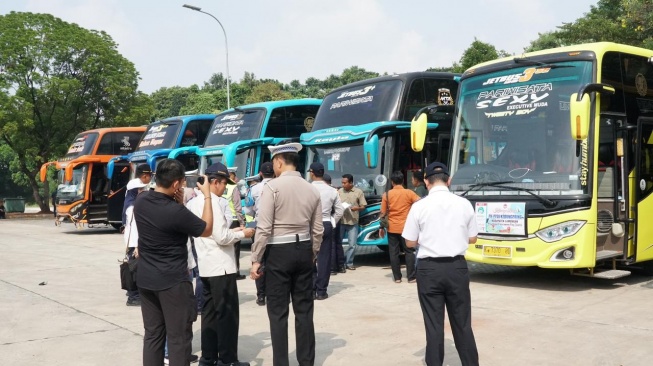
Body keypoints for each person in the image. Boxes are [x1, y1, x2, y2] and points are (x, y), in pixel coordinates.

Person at [134, 158, 214, 366]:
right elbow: (206, 229)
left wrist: (178, 202)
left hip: (147, 279)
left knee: (153, 335)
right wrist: (207, 196)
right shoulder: (175, 212)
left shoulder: (141, 201)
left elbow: (167, 217)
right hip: (172, 282)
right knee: (178, 338)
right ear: (176, 184)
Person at [250, 142, 323, 366]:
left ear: (279, 161)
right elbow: (317, 229)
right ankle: (306, 361)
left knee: (278, 313)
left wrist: (255, 259)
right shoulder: (312, 189)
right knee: (304, 311)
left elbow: (264, 228)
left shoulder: (271, 188)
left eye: (274, 162)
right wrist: (313, 253)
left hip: (278, 252)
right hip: (303, 250)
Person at [402, 162, 479, 366]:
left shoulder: (419, 206)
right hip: (457, 267)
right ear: (449, 180)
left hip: (429, 269)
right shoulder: (464, 204)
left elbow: (409, 242)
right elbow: (473, 239)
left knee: (434, 324)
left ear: (426, 181)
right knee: (462, 323)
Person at [187, 162, 255, 366]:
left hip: (206, 264)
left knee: (209, 313)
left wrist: (233, 232)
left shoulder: (193, 203)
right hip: (221, 266)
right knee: (227, 315)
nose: (225, 187)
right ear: (214, 182)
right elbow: (221, 237)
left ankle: (208, 357)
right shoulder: (213, 202)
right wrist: (244, 233)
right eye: (224, 183)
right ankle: (228, 359)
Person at [309, 163, 344, 300]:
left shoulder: (307, 188)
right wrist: (332, 221)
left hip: (310, 224)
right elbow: (340, 210)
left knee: (310, 257)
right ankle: (321, 291)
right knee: (324, 258)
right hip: (326, 223)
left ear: (312, 173)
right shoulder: (332, 190)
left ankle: (311, 288)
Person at [381, 171, 420, 283]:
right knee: (409, 251)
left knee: (394, 252)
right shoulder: (409, 193)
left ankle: (397, 277)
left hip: (392, 228)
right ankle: (411, 276)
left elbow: (383, 213)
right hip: (407, 227)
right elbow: (420, 203)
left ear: (392, 182)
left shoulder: (387, 194)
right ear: (403, 181)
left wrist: (380, 228)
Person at [248, 162, 275, 306]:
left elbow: (248, 210)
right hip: (276, 229)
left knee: (258, 259)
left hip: (259, 227)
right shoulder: (278, 187)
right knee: (274, 261)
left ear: (260, 173)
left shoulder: (254, 189)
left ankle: (260, 295)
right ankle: (272, 294)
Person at [124, 179, 148, 307]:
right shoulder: (133, 207)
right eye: (139, 189)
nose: (142, 191)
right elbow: (135, 229)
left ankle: (133, 294)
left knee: (134, 268)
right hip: (135, 243)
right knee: (135, 270)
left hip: (133, 243)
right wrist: (137, 246)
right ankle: (133, 297)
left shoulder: (129, 203)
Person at [338, 174, 367, 270]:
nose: (343, 184)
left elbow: (363, 206)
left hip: (353, 222)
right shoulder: (339, 192)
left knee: (352, 245)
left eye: (345, 183)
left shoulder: (358, 192)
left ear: (351, 183)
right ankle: (340, 262)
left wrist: (357, 208)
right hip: (341, 221)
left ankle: (349, 263)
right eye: (342, 182)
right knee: (338, 243)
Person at [223, 167, 246, 280]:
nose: (235, 177)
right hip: (234, 221)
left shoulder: (220, 185)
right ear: (231, 175)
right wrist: (242, 223)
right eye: (234, 175)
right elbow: (238, 207)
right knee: (235, 249)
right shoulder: (233, 187)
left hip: (223, 220)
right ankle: (235, 272)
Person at [324, 174, 346, 275]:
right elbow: (339, 209)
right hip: (336, 219)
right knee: (338, 242)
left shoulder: (326, 191)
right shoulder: (336, 190)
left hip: (329, 219)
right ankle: (341, 266)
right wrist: (335, 220)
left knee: (331, 244)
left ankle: (332, 268)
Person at [122, 163, 153, 229]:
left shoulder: (134, 204)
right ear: (144, 176)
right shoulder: (132, 209)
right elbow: (133, 235)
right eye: (141, 189)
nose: (144, 191)